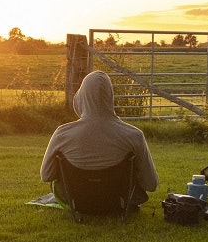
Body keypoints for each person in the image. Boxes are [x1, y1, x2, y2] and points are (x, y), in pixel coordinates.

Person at [40, 71, 159, 210]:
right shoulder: (134, 135)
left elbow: (46, 175)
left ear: (82, 97)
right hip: (118, 203)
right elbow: (151, 184)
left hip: (76, 202)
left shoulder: (62, 134)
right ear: (110, 97)